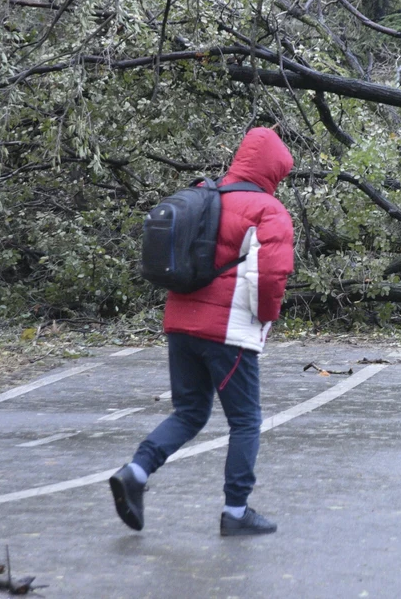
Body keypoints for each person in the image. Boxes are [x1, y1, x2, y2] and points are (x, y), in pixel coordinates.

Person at [110, 127, 295, 536]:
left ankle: (136, 472)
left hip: (180, 321)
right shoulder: (268, 210)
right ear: (274, 170)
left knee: (190, 411)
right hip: (227, 331)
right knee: (246, 420)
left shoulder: (203, 194)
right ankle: (235, 512)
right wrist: (265, 319)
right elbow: (271, 276)